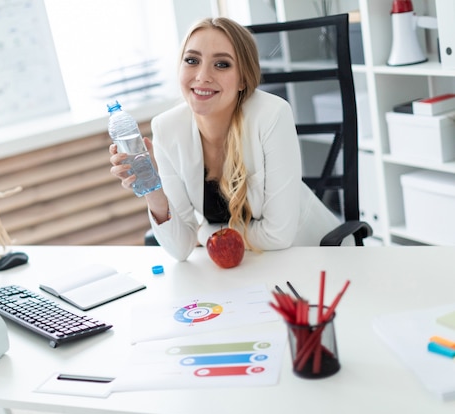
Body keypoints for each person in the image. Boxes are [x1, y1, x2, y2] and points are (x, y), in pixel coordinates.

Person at [109, 17, 344, 262]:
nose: (202, 76)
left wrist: (206, 232)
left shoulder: (272, 114)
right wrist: (153, 189)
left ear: (243, 78)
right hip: (240, 267)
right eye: (192, 60)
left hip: (309, 255)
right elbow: (180, 249)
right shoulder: (167, 128)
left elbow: (278, 236)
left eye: (221, 64)